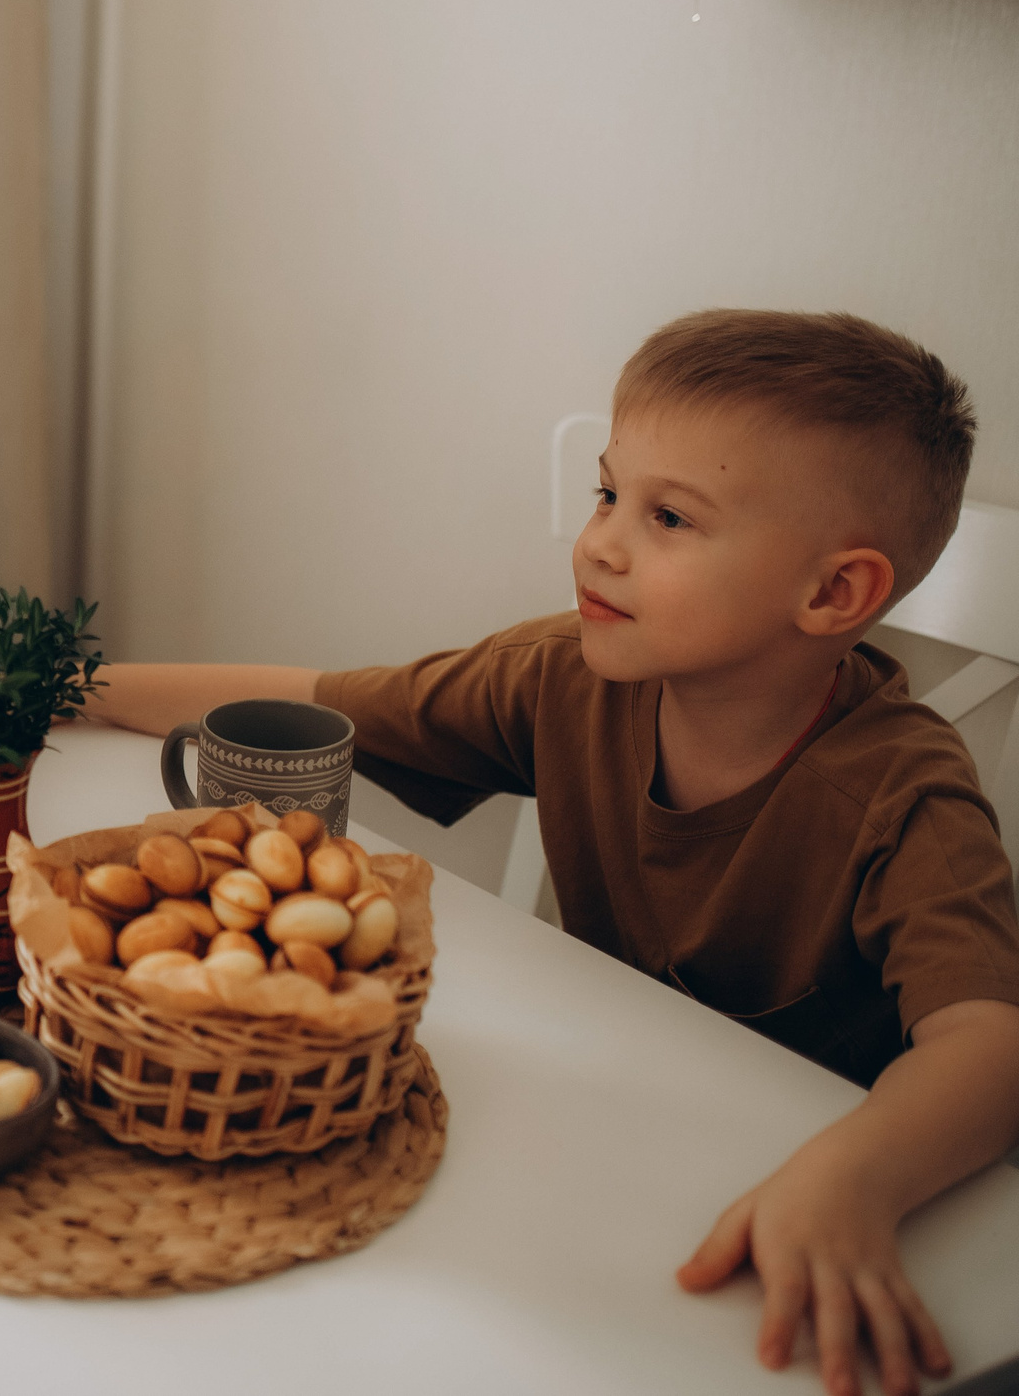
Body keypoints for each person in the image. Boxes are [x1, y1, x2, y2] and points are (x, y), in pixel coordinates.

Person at [86, 310, 1019, 1396]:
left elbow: (988, 1048)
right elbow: (309, 701)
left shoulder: (903, 789)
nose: (599, 543)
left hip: (801, 1220)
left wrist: (851, 1181)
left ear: (831, 594)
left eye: (667, 516)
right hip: (604, 1159)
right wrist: (69, 686)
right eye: (607, 493)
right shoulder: (560, 677)